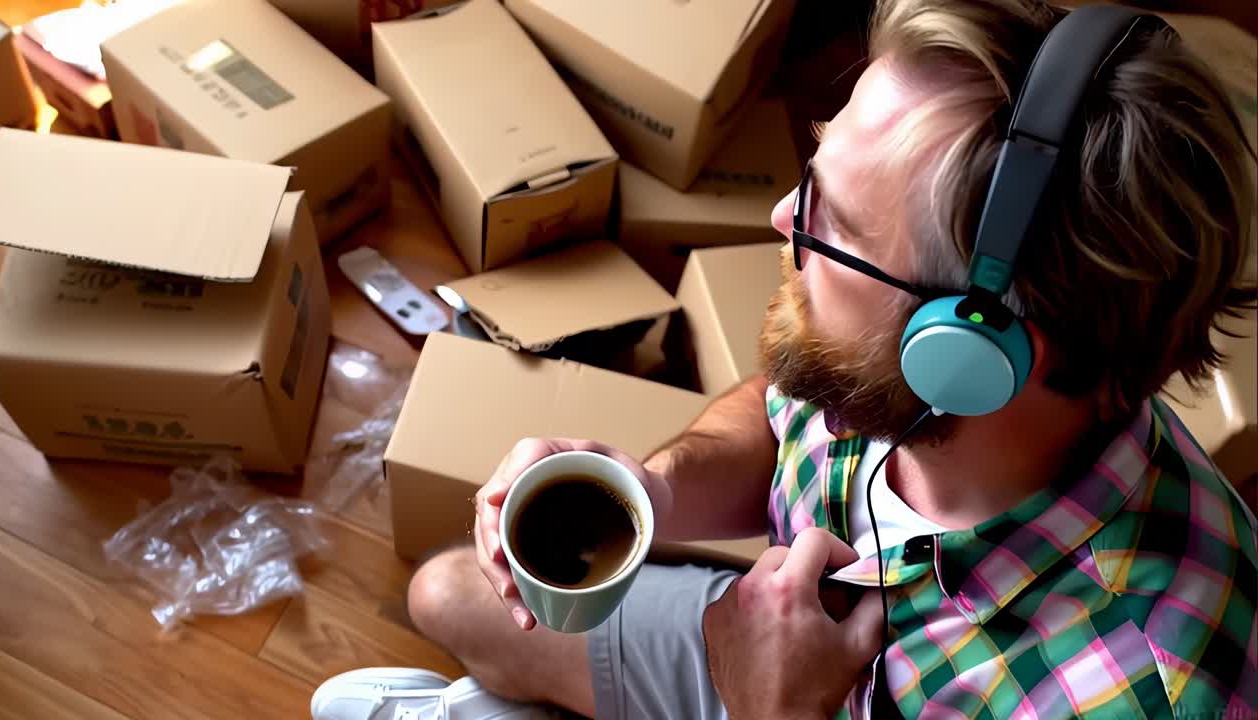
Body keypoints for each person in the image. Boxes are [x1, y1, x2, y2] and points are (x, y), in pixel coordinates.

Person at [311, 0, 1258, 718]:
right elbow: (783, 405)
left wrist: (768, 706)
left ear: (972, 353)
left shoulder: (1132, 688)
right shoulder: (901, 378)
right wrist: (649, 492)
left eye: (833, 225)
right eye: (814, 172)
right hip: (766, 658)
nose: (780, 219)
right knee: (448, 593)